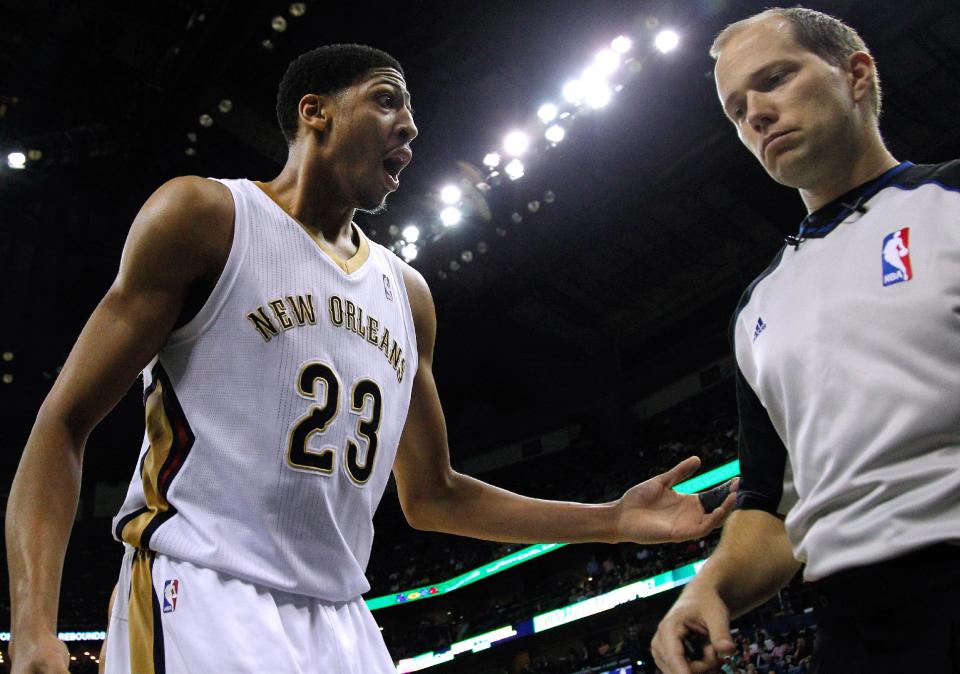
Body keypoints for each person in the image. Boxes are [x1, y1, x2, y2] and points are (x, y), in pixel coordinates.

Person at [6, 44, 736, 674]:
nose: (411, 127)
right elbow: (63, 424)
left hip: (343, 614)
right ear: (314, 112)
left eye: (412, 115)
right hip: (202, 587)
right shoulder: (207, 218)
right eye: (387, 101)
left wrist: (610, 520)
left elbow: (436, 495)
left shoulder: (408, 295)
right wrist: (35, 627)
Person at [651, 7, 960, 674]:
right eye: (736, 108)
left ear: (856, 75)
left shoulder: (950, 203)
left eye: (775, 79)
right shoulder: (756, 308)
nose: (755, 114)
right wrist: (709, 586)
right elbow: (770, 506)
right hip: (852, 629)